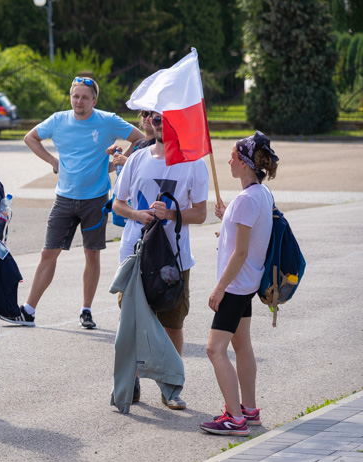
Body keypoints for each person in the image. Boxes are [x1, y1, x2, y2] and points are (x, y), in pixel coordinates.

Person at [1, 77, 143, 329]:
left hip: (96, 200)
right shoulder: (58, 120)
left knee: (92, 254)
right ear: (70, 97)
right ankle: (29, 311)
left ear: (94, 100)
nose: (79, 101)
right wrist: (52, 161)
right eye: (75, 96)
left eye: (85, 97)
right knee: (48, 252)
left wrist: (120, 161)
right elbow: (30, 138)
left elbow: (141, 138)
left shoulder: (107, 120)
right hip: (64, 198)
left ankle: (86, 310)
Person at [112, 111, 208, 408]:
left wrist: (171, 214)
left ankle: (171, 387)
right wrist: (137, 214)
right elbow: (118, 203)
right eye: (154, 119)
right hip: (135, 254)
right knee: (132, 323)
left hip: (174, 258)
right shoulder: (139, 158)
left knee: (172, 323)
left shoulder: (194, 162)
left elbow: (201, 213)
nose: (158, 124)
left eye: (164, 119)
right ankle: (132, 382)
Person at [201, 133, 278, 437]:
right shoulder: (261, 193)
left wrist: (220, 287)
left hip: (235, 287)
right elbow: (245, 237)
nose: (228, 161)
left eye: (233, 156)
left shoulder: (245, 201)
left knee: (214, 349)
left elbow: (241, 251)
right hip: (248, 283)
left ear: (245, 163)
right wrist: (226, 220)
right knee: (241, 345)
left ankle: (235, 419)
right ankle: (249, 409)